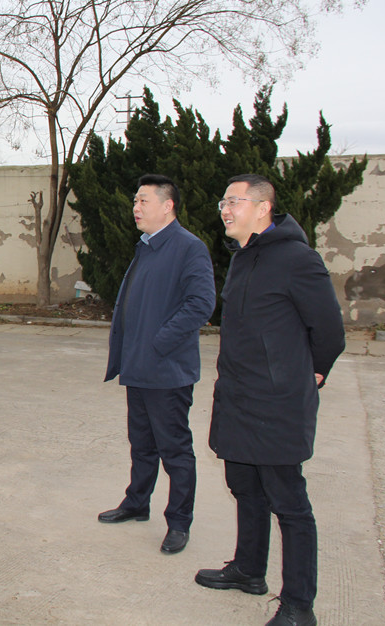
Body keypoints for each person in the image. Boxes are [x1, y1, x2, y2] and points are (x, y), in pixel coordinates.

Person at [195, 174, 345, 626]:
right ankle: (248, 569)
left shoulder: (298, 259)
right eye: (223, 202)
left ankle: (299, 604)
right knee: (245, 487)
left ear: (263, 208)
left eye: (234, 201)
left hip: (277, 403)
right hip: (238, 397)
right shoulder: (242, 257)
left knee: (289, 504)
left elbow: (329, 330)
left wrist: (312, 371)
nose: (225, 209)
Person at [97, 175, 215, 555]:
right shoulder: (146, 247)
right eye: (135, 201)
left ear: (167, 206)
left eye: (143, 201)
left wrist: (158, 343)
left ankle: (179, 522)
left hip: (167, 371)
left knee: (175, 450)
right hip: (139, 367)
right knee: (142, 444)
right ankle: (136, 503)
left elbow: (201, 304)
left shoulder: (188, 247)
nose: (135, 207)